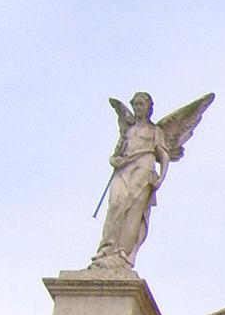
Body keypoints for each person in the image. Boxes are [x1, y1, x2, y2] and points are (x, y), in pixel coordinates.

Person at [91, 89, 214, 269]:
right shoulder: (129, 130)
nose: (138, 107)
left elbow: (163, 155)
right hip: (124, 169)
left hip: (143, 171)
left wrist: (162, 177)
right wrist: (114, 160)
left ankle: (122, 253)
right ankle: (107, 247)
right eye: (135, 104)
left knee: (134, 211)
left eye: (142, 104)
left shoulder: (155, 131)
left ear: (149, 108)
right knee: (116, 203)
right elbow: (116, 153)